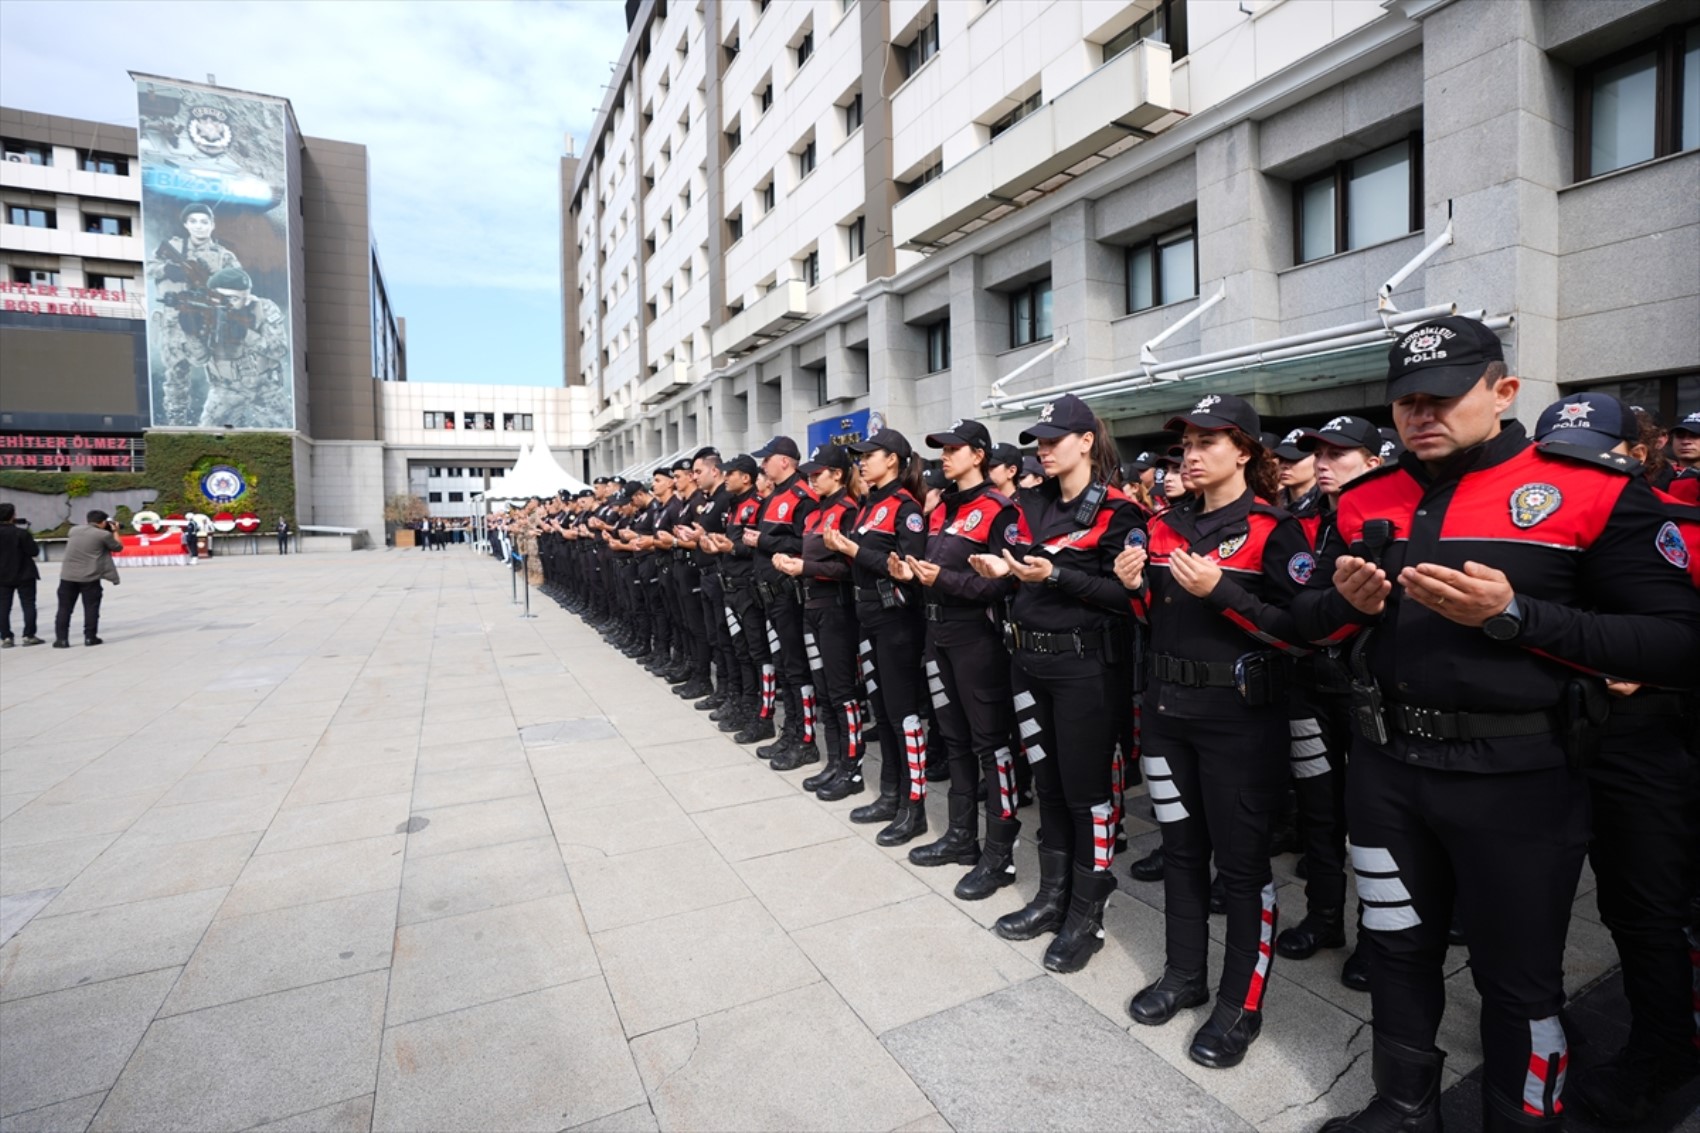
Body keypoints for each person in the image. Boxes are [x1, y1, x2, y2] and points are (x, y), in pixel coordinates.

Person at [1288, 317, 1700, 1132]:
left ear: (1503, 391)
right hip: (1385, 772)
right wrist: (1342, 606)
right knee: (1398, 950)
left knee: (1519, 979)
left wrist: (1518, 615)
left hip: (1521, 780)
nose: (1420, 414)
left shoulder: (1593, 489)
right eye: (1405, 400)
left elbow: (1678, 640)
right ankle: (1404, 1107)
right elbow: (1308, 618)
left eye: (1441, 396)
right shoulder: (1366, 497)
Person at [1113, 393, 1310, 1068]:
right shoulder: (1163, 524)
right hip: (1168, 717)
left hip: (1239, 724)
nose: (1191, 455)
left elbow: (1297, 632)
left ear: (1246, 451)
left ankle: (1239, 1003)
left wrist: (1223, 591)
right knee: (1181, 850)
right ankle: (1183, 974)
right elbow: (1156, 621)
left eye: (1209, 442)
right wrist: (1136, 586)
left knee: (1244, 864)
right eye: (1187, 443)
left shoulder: (1272, 528)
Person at [1526, 391, 1700, 1124]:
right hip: (1549, 735)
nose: (1577, 470)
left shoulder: (1678, 522)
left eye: (1597, 452)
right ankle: (1536, 1023)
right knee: (1535, 900)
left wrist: (1655, 667)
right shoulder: (1529, 519)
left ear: (1639, 450)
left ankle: (1663, 1057)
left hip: (1649, 738)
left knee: (1644, 909)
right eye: (1559, 456)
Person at [968, 393, 1142, 974]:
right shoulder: (1029, 502)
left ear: (1087, 441)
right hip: (1028, 663)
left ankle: (1086, 916)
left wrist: (1059, 574)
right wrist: (1004, 569)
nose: (1042, 450)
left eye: (1053, 440)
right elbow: (1019, 565)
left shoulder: (1118, 512)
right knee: (1046, 784)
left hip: (1086, 669)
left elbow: (1127, 597)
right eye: (1037, 442)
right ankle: (1051, 896)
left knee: (1087, 792)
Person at [1275, 415, 1386, 993]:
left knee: (1370, 821)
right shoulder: (1299, 521)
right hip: (1307, 685)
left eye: (1340, 453)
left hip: (1368, 691)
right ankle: (1323, 917)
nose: (1323, 461)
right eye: (1318, 451)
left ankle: (1375, 937)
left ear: (1373, 461)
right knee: (1318, 810)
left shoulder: (1392, 517)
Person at [894, 419, 1023, 895]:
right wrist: (908, 571)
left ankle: (1000, 854)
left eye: (954, 449)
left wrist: (940, 581)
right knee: (954, 740)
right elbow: (936, 567)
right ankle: (961, 837)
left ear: (978, 455)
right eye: (942, 450)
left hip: (977, 638)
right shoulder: (942, 507)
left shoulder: (999, 509)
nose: (944, 457)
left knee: (992, 744)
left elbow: (1005, 581)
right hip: (937, 633)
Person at [822, 428, 929, 842]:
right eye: (860, 457)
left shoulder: (906, 507)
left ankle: (914, 806)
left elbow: (909, 566)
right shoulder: (869, 505)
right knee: (882, 713)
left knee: (904, 717)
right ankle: (890, 794)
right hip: (868, 617)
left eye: (871, 455)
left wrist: (853, 551)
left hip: (896, 620)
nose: (862, 462)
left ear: (894, 460)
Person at [773, 443, 861, 786]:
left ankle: (850, 767)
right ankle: (835, 760)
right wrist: (788, 563)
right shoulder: (815, 512)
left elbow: (850, 567)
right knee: (823, 690)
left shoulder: (847, 510)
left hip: (835, 609)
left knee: (841, 692)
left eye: (817, 474)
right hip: (809, 606)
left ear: (836, 474)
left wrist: (805, 566)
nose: (812, 479)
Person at [148, 201, 242, 426]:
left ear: (212, 225)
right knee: (176, 371)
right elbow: (149, 267)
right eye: (193, 222)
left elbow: (239, 284)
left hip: (209, 319)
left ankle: (218, 422)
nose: (199, 226)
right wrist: (168, 269)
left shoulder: (223, 255)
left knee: (221, 373)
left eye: (204, 222)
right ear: (186, 224)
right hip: (174, 320)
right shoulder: (173, 247)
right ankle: (176, 421)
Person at [195, 268, 291, 429]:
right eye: (219, 297)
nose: (225, 304)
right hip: (224, 388)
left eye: (232, 298)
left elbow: (279, 350)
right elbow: (198, 359)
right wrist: (192, 334)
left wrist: (246, 334)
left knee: (284, 434)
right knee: (206, 436)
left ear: (247, 298)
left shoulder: (263, 308)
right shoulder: (205, 313)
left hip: (264, 387)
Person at [55, 509, 122, 648]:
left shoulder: (73, 530)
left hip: (68, 576)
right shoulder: (103, 535)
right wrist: (115, 531)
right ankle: (90, 638)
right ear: (103, 522)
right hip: (90, 577)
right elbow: (118, 547)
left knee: (64, 608)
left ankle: (61, 639)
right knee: (91, 608)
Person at [0, 503, 43, 647]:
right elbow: (34, 552)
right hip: (24, 573)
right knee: (28, 604)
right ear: (13, 515)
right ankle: (29, 635)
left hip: (2, 575)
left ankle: (6, 637)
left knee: (3, 606)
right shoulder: (21, 533)